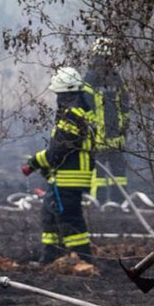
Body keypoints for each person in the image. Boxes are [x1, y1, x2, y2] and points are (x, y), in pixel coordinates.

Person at [22, 66, 99, 264]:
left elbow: (57, 151)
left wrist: (34, 163)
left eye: (59, 94)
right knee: (50, 214)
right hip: (67, 176)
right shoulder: (81, 112)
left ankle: (83, 259)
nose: (57, 98)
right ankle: (51, 257)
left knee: (70, 220)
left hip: (69, 178)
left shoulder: (72, 116)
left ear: (66, 94)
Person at [84, 38, 131, 206]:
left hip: (98, 137)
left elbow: (84, 104)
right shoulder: (116, 78)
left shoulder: (90, 78)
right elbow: (125, 106)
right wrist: (123, 129)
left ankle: (100, 201)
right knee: (117, 171)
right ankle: (119, 202)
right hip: (114, 136)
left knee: (98, 171)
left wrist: (90, 127)